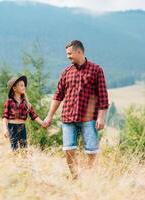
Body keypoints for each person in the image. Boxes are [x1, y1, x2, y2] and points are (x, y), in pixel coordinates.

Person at [42, 40, 109, 179]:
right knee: (68, 149)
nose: (68, 57)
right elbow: (58, 95)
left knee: (92, 151)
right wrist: (49, 116)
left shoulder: (96, 70)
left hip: (88, 119)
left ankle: (89, 177)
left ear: (79, 51)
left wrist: (101, 117)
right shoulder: (66, 72)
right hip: (68, 118)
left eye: (70, 53)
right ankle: (75, 176)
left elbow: (103, 96)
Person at [2, 75, 44, 151]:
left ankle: (23, 161)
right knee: (14, 148)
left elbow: (34, 115)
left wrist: (42, 123)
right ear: (14, 88)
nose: (24, 87)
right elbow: (5, 117)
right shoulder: (9, 102)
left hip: (22, 127)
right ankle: (15, 161)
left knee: (24, 148)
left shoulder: (26, 103)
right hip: (12, 127)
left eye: (24, 85)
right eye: (21, 85)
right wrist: (5, 129)